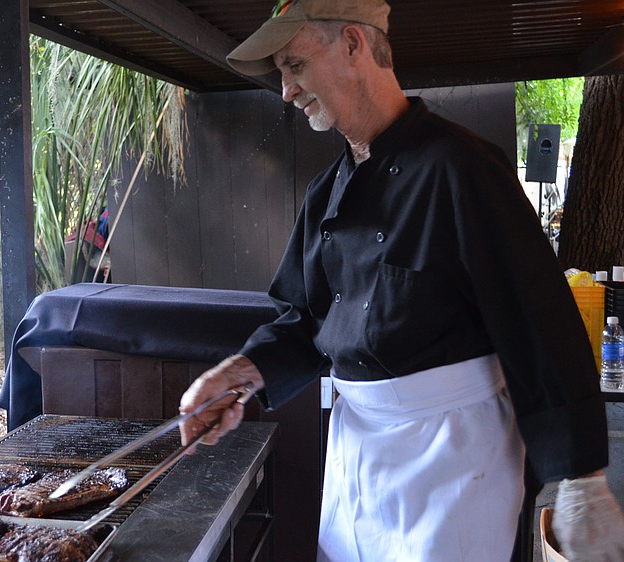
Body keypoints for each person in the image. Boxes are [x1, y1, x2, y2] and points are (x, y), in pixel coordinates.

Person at [178, 1, 624, 560]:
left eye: (294, 65)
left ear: (353, 44)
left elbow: (540, 321)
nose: (286, 91)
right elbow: (306, 322)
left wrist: (581, 477)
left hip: (456, 456)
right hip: (359, 452)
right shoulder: (325, 192)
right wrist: (239, 373)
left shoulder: (464, 168)